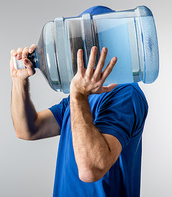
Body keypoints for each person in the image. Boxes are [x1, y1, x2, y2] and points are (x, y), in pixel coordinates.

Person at [10, 6, 148, 197]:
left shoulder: (125, 94)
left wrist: (78, 96)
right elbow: (28, 129)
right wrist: (19, 81)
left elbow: (91, 170)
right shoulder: (79, 98)